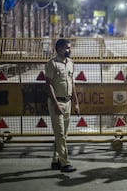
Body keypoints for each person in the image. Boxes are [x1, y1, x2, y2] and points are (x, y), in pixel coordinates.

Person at [45, 39, 79, 173]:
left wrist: (76, 103)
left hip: (68, 102)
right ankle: (65, 163)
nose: (69, 50)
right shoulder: (52, 64)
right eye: (66, 48)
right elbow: (49, 85)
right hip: (56, 103)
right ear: (59, 49)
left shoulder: (71, 63)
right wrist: (55, 104)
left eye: (69, 48)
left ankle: (55, 160)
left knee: (63, 134)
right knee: (60, 134)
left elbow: (73, 84)